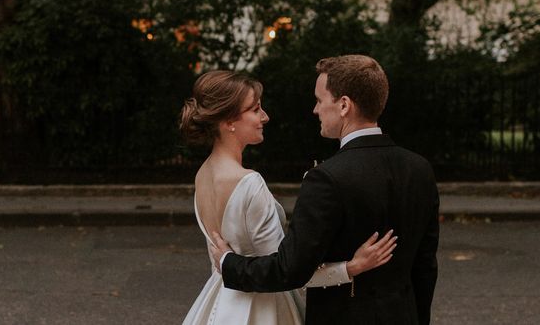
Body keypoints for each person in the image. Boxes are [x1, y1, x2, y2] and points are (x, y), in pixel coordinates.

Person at [212, 55, 440, 325]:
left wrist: (229, 263)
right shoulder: (420, 169)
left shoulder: (327, 179)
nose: (315, 110)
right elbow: (425, 268)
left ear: (344, 105)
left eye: (320, 100)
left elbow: (290, 269)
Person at [179, 70, 397, 325]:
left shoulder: (203, 174)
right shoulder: (249, 183)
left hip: (219, 301)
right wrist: (350, 268)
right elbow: (288, 269)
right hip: (262, 308)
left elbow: (222, 261)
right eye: (255, 109)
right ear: (229, 121)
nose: (265, 116)